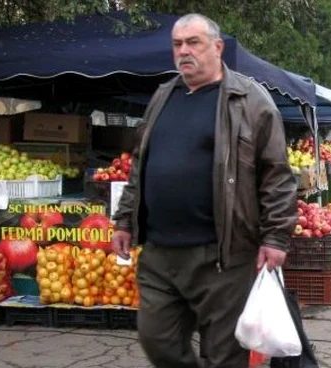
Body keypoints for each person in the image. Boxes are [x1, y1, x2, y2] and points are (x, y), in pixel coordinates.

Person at [111, 14, 297, 367]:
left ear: (217, 47)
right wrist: (124, 219)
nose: (184, 51)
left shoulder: (250, 101)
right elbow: (140, 165)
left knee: (225, 354)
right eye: (177, 44)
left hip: (223, 257)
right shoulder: (163, 96)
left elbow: (277, 175)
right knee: (156, 339)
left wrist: (276, 237)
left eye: (193, 42)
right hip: (160, 253)